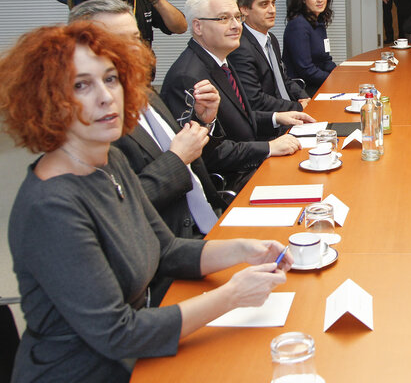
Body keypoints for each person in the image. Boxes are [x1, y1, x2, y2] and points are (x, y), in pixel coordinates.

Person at [0, 22, 293, 382]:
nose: (107, 96)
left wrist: (244, 249)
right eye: (81, 85)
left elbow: (166, 249)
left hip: (140, 354)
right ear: (47, 101)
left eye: (111, 79)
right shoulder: (51, 207)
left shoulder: (110, 161)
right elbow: (118, 333)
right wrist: (232, 295)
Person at [68, 0, 225, 242]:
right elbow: (119, 207)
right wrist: (177, 159)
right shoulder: (92, 119)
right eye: (119, 40)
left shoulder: (144, 92)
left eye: (135, 38)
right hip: (171, 241)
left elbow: (184, 150)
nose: (134, 48)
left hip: (212, 216)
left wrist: (203, 121)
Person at [162, 0, 313, 192]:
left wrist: (277, 117)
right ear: (197, 26)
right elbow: (207, 154)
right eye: (223, 18)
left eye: (237, 17)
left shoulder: (220, 59)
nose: (236, 26)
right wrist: (268, 148)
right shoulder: (188, 76)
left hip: (249, 161)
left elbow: (240, 120)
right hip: (233, 180)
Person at [229, 0, 310, 112]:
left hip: (289, 111)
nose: (272, 10)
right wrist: (298, 107)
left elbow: (284, 79)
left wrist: (306, 99)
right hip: (273, 122)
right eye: (264, 5)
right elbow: (255, 99)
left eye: (273, 3)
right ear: (244, 10)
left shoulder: (271, 39)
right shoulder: (240, 47)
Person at [282, 0, 337, 96]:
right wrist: (333, 79)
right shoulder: (298, 25)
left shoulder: (318, 21)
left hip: (317, 82)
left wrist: (339, 73)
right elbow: (306, 70)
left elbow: (325, 60)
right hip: (304, 89)